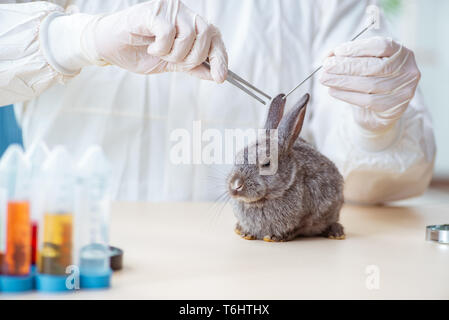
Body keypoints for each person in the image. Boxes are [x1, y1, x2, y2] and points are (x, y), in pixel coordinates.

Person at [0, 0, 435, 204]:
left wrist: (375, 124)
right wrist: (77, 37)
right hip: (74, 254)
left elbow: (372, 183)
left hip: (259, 280)